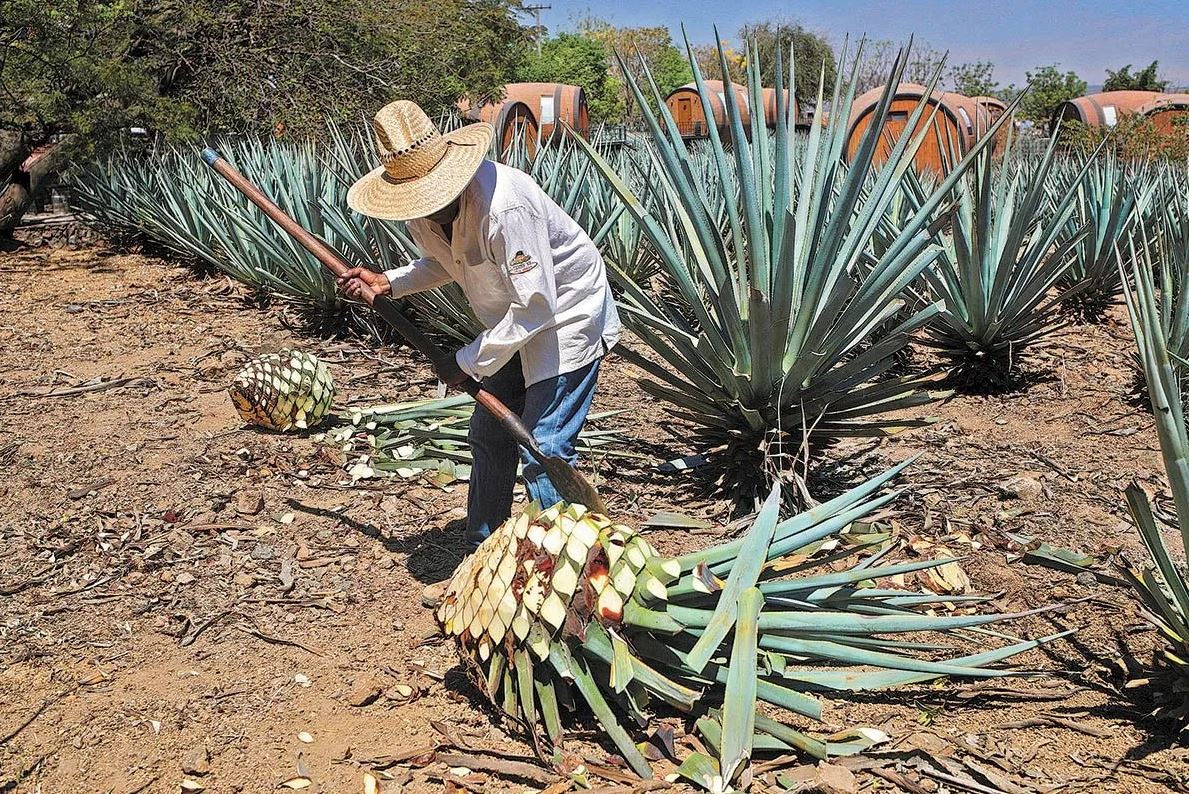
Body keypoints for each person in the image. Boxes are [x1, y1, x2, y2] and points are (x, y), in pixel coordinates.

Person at [338, 100, 620, 562]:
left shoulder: (506, 207)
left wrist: (466, 362)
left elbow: (537, 306)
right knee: (490, 432)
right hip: (512, 321)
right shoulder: (423, 206)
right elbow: (443, 259)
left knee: (544, 447)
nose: (426, 208)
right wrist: (388, 281)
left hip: (565, 313)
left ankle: (569, 571)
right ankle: (483, 550)